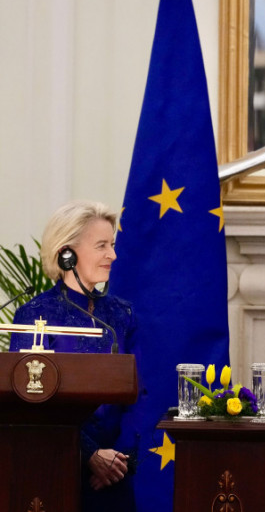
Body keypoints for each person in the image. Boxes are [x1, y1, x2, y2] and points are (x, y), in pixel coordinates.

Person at [10, 200, 142, 511]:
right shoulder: (35, 315)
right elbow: (28, 403)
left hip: (114, 477)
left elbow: (141, 394)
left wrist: (118, 459)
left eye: (112, 245)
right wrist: (90, 455)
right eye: (101, 246)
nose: (113, 255)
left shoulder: (122, 314)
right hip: (54, 470)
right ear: (67, 254)